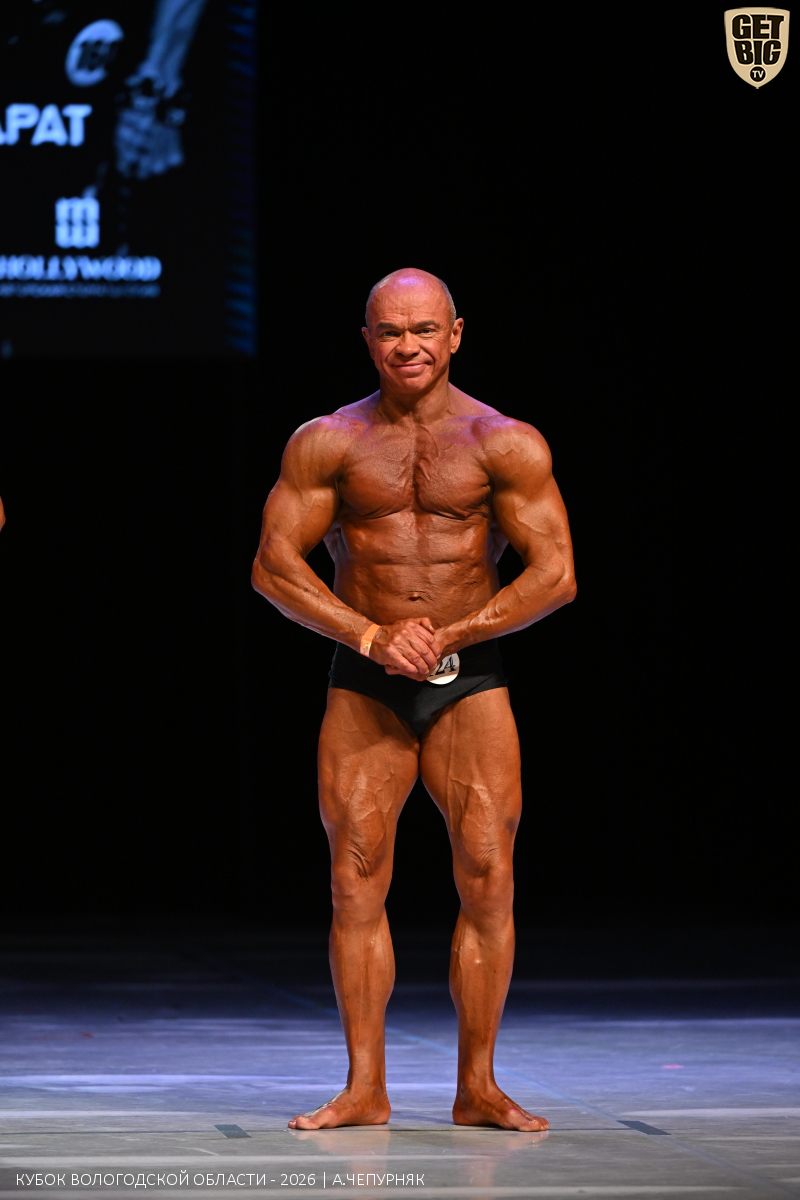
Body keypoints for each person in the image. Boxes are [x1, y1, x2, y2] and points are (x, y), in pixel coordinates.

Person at [252, 268, 576, 1131]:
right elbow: (273, 567)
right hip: (366, 679)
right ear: (367, 341)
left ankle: (479, 1088)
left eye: (425, 329)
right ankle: (365, 1088)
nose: (409, 346)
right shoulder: (327, 442)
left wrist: (450, 634)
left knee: (489, 877)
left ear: (456, 334)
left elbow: (556, 575)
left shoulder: (504, 442)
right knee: (354, 881)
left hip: (469, 678)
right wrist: (370, 636)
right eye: (391, 331)